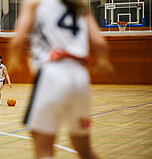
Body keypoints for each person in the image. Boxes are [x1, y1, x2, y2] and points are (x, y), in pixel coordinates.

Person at [8, 0, 114, 159]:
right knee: (84, 149)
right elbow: (100, 43)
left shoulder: (34, 3)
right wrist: (103, 61)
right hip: (80, 75)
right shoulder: (81, 5)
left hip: (51, 73)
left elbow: (17, 40)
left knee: (44, 151)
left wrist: (13, 59)